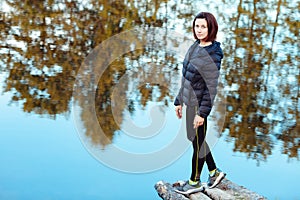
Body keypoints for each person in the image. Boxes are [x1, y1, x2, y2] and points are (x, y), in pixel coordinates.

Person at [174, 12, 226, 193]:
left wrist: (202, 114)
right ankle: (214, 171)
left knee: (197, 142)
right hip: (189, 102)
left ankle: (194, 182)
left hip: (199, 105)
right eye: (197, 26)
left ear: (211, 28)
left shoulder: (213, 54)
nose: (199, 30)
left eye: (203, 26)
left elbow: (211, 88)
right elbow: (186, 77)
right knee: (195, 139)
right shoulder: (195, 46)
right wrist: (179, 100)